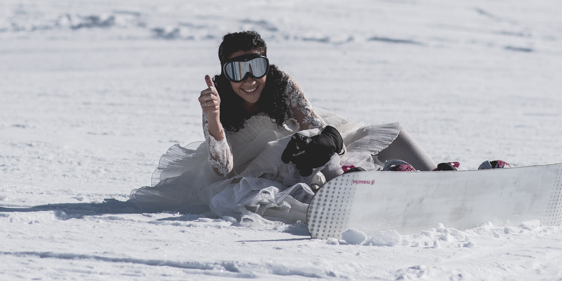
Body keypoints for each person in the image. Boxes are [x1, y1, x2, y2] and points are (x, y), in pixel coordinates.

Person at [129, 31, 489, 224]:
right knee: (304, 143)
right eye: (238, 71)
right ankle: (358, 194)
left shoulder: (281, 84)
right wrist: (213, 119)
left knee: (388, 132)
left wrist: (327, 139)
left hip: (296, 155)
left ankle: (440, 181)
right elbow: (222, 168)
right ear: (225, 73)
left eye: (257, 67)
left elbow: (316, 127)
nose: (250, 80)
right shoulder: (217, 100)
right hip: (252, 172)